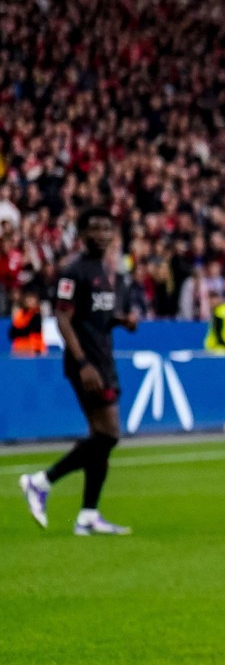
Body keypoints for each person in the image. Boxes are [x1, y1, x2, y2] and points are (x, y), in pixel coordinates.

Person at [19, 208, 137, 535]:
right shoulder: (73, 272)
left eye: (106, 228)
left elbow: (95, 317)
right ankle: (42, 481)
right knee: (109, 434)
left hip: (103, 358)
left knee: (102, 438)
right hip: (86, 363)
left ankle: (88, 515)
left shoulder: (104, 271)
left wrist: (121, 321)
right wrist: (83, 363)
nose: (101, 234)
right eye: (93, 229)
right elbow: (63, 318)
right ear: (82, 235)